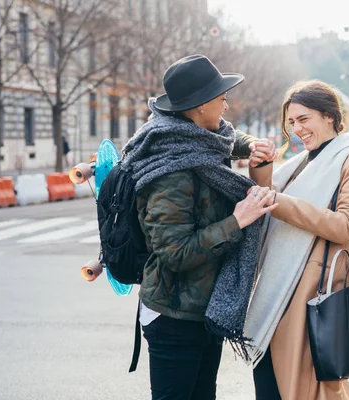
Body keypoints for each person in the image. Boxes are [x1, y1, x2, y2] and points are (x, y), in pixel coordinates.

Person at [120, 54, 278, 400]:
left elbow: (228, 139)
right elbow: (175, 252)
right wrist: (237, 220)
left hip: (201, 308)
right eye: (221, 97)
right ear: (201, 105)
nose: (226, 103)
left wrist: (251, 145)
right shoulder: (170, 171)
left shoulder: (196, 139)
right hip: (172, 314)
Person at [243, 80, 349, 400]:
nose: (297, 129)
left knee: (301, 389)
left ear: (330, 116)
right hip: (279, 294)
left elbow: (347, 226)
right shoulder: (299, 164)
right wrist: (261, 171)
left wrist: (277, 201)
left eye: (304, 119)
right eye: (291, 122)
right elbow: (268, 212)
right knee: (271, 386)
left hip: (312, 297)